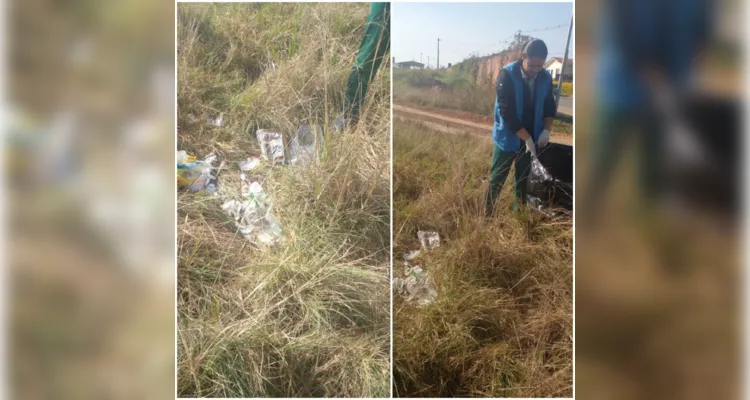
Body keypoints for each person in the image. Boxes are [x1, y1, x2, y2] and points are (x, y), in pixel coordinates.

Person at [485, 39, 557, 217]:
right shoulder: (507, 75)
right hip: (507, 137)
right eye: (532, 65)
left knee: (523, 181)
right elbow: (506, 112)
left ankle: (519, 215)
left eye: (540, 66)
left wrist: (545, 131)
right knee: (497, 179)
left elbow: (549, 107)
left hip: (532, 135)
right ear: (524, 56)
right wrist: (526, 138)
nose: (536, 70)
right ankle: (487, 216)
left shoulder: (545, 77)